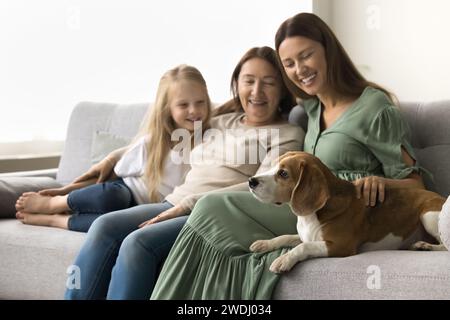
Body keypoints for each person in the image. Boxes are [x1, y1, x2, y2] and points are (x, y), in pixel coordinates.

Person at [150, 12, 429, 300]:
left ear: (328, 50)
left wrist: (378, 181)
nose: (300, 69)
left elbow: (416, 185)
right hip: (302, 207)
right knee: (209, 209)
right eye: (289, 63)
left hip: (335, 210)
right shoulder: (310, 106)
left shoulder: (374, 108)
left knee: (210, 205)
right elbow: (254, 98)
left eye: (306, 55)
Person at [64, 46, 305, 299]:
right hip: (174, 201)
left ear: (283, 90)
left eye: (269, 83)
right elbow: (166, 134)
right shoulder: (220, 120)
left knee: (138, 244)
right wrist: (114, 157)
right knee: (104, 226)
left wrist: (190, 204)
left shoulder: (286, 135)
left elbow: (263, 187)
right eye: (249, 81)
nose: (257, 92)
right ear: (237, 84)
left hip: (213, 216)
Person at [14, 65, 211, 232]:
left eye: (200, 102)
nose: (194, 110)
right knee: (112, 195)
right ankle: (55, 205)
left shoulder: (212, 140)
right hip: (125, 193)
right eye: (183, 105)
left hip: (147, 210)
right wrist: (64, 191)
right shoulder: (152, 144)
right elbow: (108, 178)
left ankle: (55, 220)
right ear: (167, 109)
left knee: (119, 226)